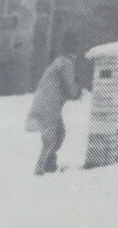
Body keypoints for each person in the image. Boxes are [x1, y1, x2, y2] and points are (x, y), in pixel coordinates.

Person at [26, 31, 82, 176]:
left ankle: (50, 163)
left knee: (59, 133)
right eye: (74, 45)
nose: (75, 48)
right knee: (51, 138)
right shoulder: (66, 63)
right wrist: (78, 88)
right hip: (49, 104)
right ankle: (40, 168)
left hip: (47, 102)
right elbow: (70, 89)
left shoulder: (60, 61)